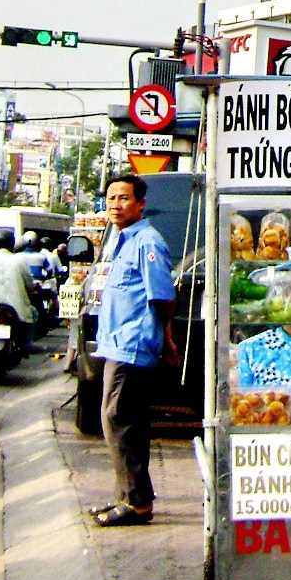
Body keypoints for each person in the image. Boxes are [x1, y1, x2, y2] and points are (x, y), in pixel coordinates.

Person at [90, 174, 178, 528]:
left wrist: (166, 337)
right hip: (118, 343)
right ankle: (128, 496)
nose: (115, 205)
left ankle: (137, 504)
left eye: (124, 198)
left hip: (132, 346)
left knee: (117, 419)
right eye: (111, 198)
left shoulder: (147, 241)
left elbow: (163, 296)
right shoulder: (122, 240)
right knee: (128, 423)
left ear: (140, 203)